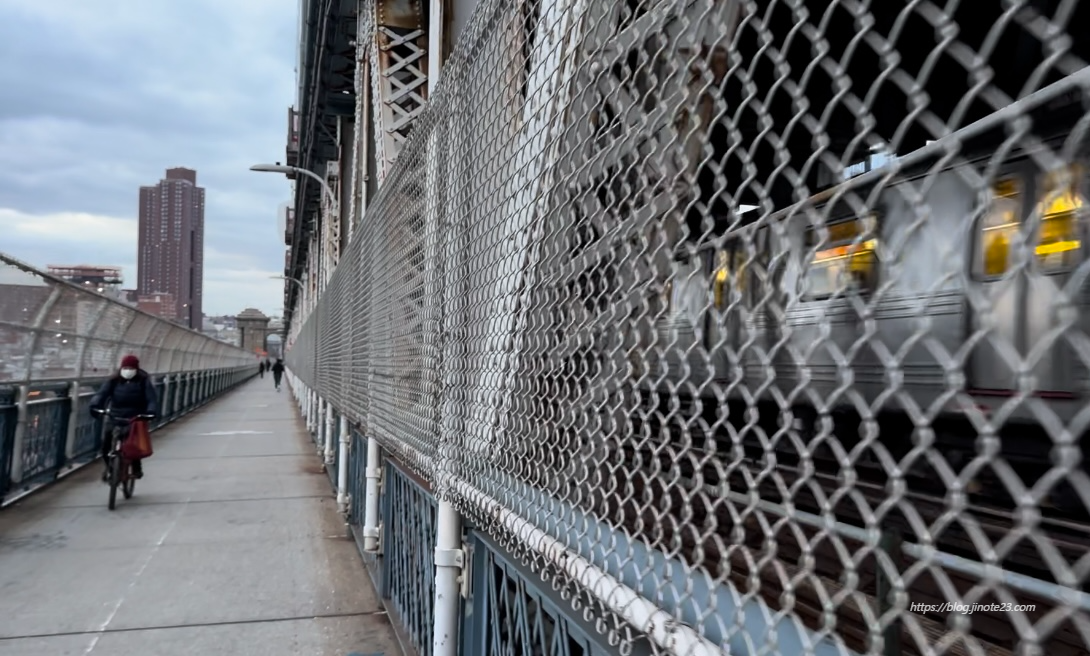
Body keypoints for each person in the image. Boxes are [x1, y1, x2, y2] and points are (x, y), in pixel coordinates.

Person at [89, 354, 160, 480]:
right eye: (125, 368)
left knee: (133, 445)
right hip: (115, 416)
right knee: (106, 447)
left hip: (135, 417)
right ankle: (111, 470)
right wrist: (95, 405)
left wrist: (150, 411)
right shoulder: (113, 381)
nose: (128, 371)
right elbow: (101, 394)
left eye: (131, 368)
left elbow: (151, 399)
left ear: (136, 369)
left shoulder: (143, 381)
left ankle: (136, 468)